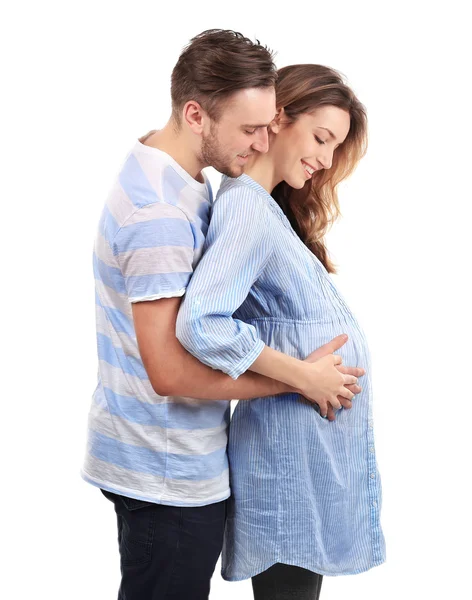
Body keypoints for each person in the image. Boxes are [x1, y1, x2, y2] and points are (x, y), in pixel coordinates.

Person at [81, 30, 364, 600]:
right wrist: (299, 379)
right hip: (163, 469)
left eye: (270, 123)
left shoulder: (183, 183)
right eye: (251, 129)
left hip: (176, 461)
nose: (264, 141)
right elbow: (171, 367)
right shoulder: (160, 211)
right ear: (196, 115)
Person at [176, 64, 386, 599]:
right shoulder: (247, 208)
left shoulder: (267, 211)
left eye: (336, 148)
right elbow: (201, 323)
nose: (326, 159)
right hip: (286, 464)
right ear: (279, 117)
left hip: (301, 463)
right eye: (321, 137)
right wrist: (302, 377)